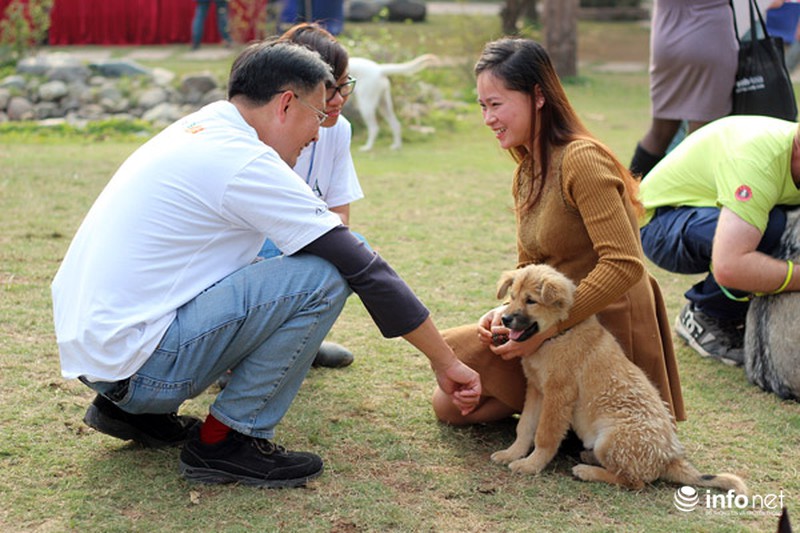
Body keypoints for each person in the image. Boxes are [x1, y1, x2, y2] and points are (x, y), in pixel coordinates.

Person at [51, 40, 481, 488]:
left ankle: (131, 414)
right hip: (141, 369)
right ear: (286, 104)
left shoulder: (199, 127)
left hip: (105, 358)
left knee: (287, 252)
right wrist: (445, 362)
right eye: (317, 116)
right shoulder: (245, 160)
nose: (317, 135)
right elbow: (361, 264)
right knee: (328, 271)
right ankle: (226, 440)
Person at [431, 38, 685, 427]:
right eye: (482, 106)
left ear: (538, 96)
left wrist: (548, 328)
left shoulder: (582, 159)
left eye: (496, 104)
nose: (488, 119)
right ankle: (561, 416)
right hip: (547, 316)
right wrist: (506, 311)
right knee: (450, 405)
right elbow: (529, 265)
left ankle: (581, 416)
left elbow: (623, 264)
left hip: (605, 317)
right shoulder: (527, 171)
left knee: (459, 400)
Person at [639, 114, 800, 366]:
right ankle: (707, 316)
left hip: (705, 210)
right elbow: (731, 265)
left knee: (770, 223)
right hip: (659, 223)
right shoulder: (757, 162)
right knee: (770, 228)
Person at [269, 22, 363, 368]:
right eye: (328, 89)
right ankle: (245, 354)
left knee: (351, 247)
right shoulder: (266, 132)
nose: (338, 100)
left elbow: (340, 214)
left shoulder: (339, 130)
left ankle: (300, 344)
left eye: (344, 86)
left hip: (302, 241)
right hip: (252, 251)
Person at [629, 0, 738, 178]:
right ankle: (685, 194)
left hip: (666, 37)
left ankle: (631, 190)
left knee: (659, 133)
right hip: (710, 35)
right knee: (701, 136)